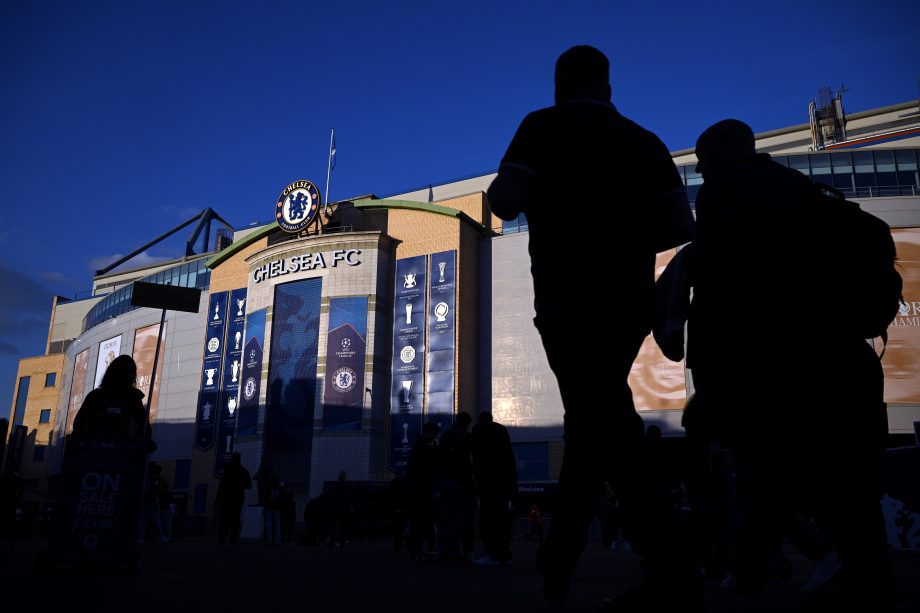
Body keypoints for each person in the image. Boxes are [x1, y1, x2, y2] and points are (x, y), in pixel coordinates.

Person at [488, 45, 697, 609]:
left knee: (603, 420)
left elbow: (505, 201)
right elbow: (680, 223)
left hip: (565, 300)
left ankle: (666, 567)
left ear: (559, 83)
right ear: (607, 85)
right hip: (627, 301)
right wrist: (624, 242)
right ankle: (562, 559)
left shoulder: (541, 127)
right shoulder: (644, 141)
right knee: (596, 417)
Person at [689, 119, 895, 608]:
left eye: (701, 159)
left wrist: (711, 379)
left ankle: (748, 580)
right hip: (842, 356)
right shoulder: (803, 190)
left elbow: (721, 294)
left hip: (772, 363)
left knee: (763, 475)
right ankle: (870, 580)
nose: (699, 169)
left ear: (718, 156)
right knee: (842, 481)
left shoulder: (723, 193)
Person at [72, 355, 155, 451]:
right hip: (95, 455)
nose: (128, 375)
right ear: (114, 372)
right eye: (124, 370)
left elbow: (144, 430)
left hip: (124, 457)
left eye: (131, 372)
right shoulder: (95, 397)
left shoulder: (134, 400)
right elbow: (79, 426)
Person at [471, 411, 517, 565]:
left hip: (488, 481)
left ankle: (491, 553)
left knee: (488, 518)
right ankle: (504, 554)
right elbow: (509, 457)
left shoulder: (479, 430)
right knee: (501, 518)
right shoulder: (501, 430)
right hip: (503, 481)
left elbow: (477, 456)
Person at [435, 411, 473, 562]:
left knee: (445, 518)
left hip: (445, 481)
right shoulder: (468, 438)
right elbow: (470, 460)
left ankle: (443, 551)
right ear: (467, 423)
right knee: (459, 518)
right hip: (462, 481)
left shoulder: (446, 437)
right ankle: (455, 550)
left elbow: (438, 460)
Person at [406, 422, 439, 560]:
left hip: (417, 489)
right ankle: (419, 550)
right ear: (428, 432)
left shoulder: (419, 445)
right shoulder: (424, 447)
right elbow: (427, 468)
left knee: (418, 521)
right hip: (421, 489)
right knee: (422, 521)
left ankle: (417, 550)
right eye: (433, 433)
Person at [215, 452, 252, 546]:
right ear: (239, 459)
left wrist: (218, 498)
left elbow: (221, 485)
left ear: (232, 459)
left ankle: (221, 540)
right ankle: (232, 542)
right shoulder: (243, 471)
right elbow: (249, 485)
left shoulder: (227, 469)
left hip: (227, 498)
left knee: (224, 520)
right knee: (235, 520)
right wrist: (240, 485)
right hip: (238, 499)